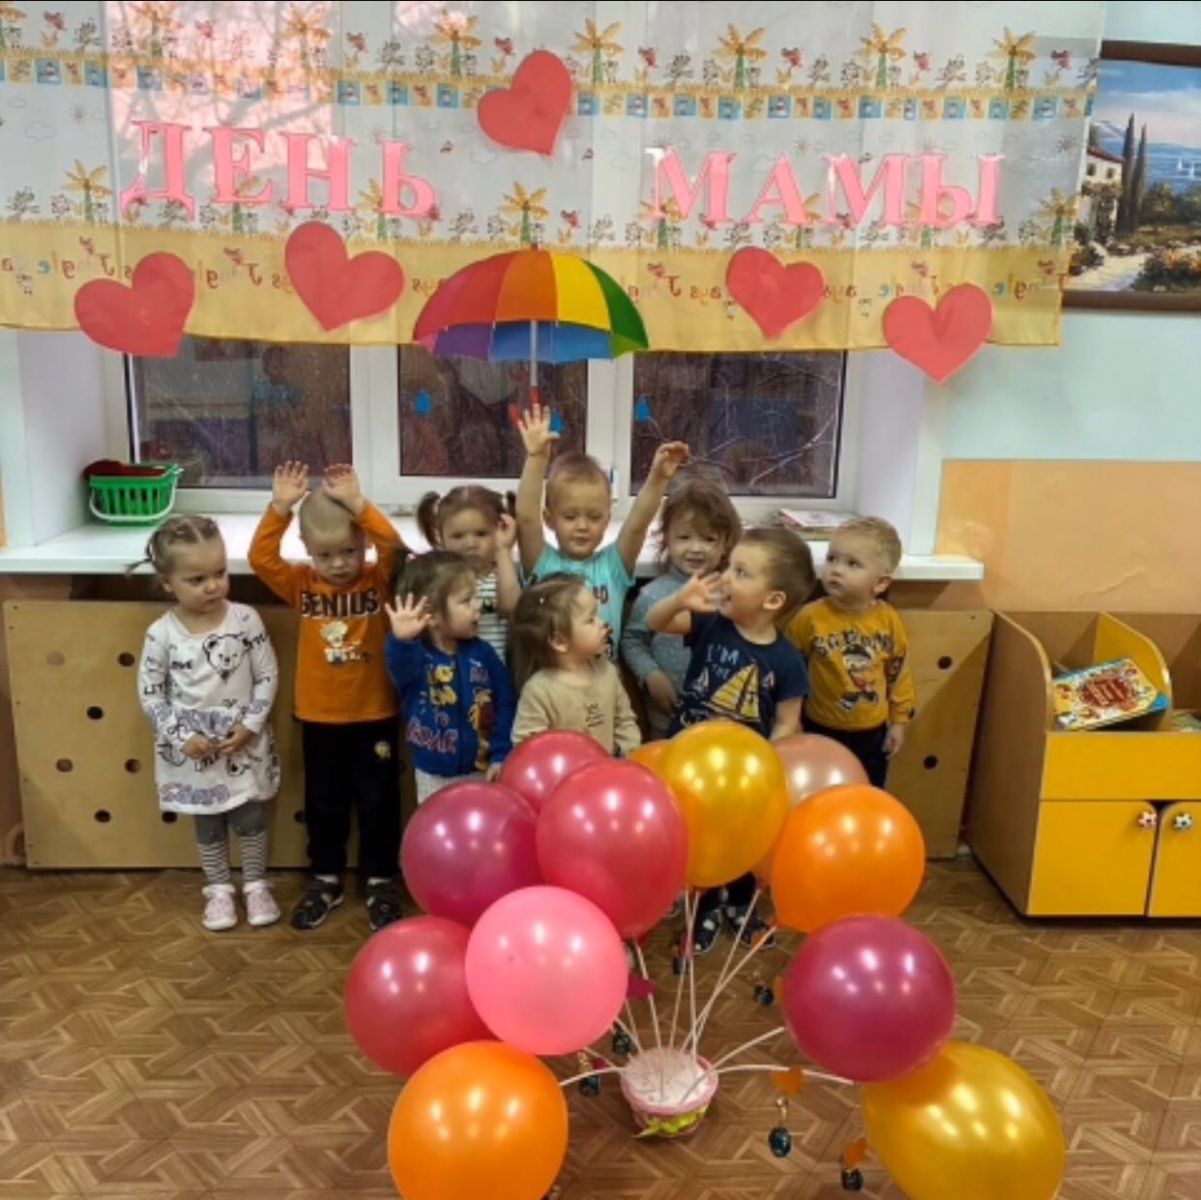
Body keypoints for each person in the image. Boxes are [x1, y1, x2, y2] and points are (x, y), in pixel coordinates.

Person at [248, 461, 409, 932]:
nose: (338, 564)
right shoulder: (302, 584)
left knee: (379, 802)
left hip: (375, 713)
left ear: (362, 541)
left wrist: (360, 505)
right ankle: (325, 878)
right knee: (324, 803)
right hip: (320, 717)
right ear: (306, 550)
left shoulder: (378, 580)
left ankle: (380, 879)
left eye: (348, 551)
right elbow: (261, 559)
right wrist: (280, 509)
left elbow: (395, 548)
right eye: (325, 555)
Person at [648, 527, 816, 953]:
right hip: (688, 764)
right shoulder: (711, 623)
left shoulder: (787, 661)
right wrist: (679, 601)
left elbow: (787, 722)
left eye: (741, 572)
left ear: (772, 600)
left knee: (740, 845)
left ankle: (741, 906)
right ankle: (703, 909)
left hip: (742, 780)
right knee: (699, 842)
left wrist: (766, 766)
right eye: (729, 567)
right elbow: (655, 623)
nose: (724, 577)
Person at [136, 516, 281, 931]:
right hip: (193, 755)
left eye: (220, 573)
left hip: (243, 745)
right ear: (167, 583)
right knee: (208, 823)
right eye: (197, 579)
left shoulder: (246, 620)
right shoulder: (161, 634)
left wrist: (251, 725)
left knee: (250, 818)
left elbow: (267, 674)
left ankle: (255, 885)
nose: (213, 586)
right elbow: (151, 694)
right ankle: (218, 890)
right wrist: (182, 738)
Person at [515, 400, 688, 652]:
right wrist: (537, 458)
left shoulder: (612, 567)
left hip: (603, 675)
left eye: (594, 517)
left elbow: (638, 525)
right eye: (570, 516)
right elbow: (526, 519)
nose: (582, 526)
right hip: (551, 675)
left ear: (607, 520)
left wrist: (659, 478)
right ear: (550, 519)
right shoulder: (543, 564)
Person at [786, 517, 916, 788]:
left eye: (852, 564)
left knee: (865, 793)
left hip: (872, 734)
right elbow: (789, 671)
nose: (836, 570)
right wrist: (791, 720)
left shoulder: (889, 621)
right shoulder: (809, 618)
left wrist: (899, 721)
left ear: (880, 583)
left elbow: (898, 672)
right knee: (820, 794)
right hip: (818, 728)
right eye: (832, 559)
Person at [385, 551, 517, 805]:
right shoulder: (415, 656)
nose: (478, 606)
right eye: (467, 600)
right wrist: (401, 641)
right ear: (432, 615)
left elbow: (506, 703)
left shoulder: (484, 653)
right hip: (433, 775)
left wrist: (501, 753)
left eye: (476, 596)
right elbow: (399, 669)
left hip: (484, 770)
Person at [621, 477, 742, 739]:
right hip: (666, 714)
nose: (695, 548)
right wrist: (651, 674)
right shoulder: (652, 594)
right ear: (667, 538)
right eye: (684, 537)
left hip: (723, 717)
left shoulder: (734, 593)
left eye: (709, 539)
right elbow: (632, 640)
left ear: (726, 543)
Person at [510, 575, 641, 756]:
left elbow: (625, 723)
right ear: (559, 641)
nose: (602, 623)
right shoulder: (539, 691)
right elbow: (527, 749)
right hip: (565, 773)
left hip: (608, 770)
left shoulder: (608, 671)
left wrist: (629, 754)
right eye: (591, 619)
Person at [415, 486, 520, 661]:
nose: (470, 544)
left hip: (499, 670)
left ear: (499, 531)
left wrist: (503, 550)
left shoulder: (505, 572)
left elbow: (511, 607)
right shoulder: (436, 579)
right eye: (458, 536)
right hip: (453, 671)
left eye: (481, 534)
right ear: (441, 538)